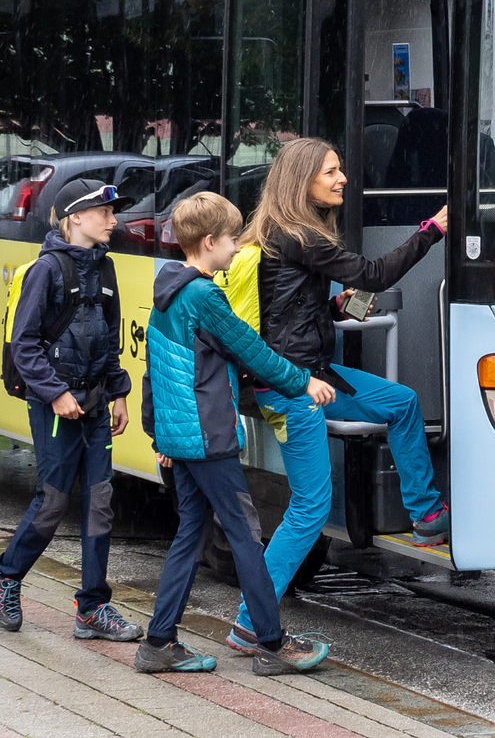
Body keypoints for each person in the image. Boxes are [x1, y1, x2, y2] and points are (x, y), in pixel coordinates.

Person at [226, 137, 448, 655]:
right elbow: (376, 274)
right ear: (301, 180)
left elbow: (283, 315)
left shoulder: (282, 236)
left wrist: (334, 309)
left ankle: (426, 515)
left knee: (402, 402)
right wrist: (432, 230)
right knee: (309, 509)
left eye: (340, 169)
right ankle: (249, 621)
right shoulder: (300, 235)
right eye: (331, 171)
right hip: (295, 389)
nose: (342, 177)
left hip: (316, 377)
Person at [137, 191, 335, 675]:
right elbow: (253, 350)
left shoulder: (168, 291)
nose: (237, 249)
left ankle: (158, 642)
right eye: (231, 240)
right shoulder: (204, 296)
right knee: (246, 534)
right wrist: (303, 381)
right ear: (208, 242)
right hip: (208, 437)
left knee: (190, 532)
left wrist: (158, 433)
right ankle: (271, 643)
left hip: (182, 437)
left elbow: (154, 371)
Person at [0, 179, 143, 643]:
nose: (114, 221)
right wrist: (55, 392)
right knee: (53, 501)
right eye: (105, 213)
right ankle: (6, 575)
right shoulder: (46, 270)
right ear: (75, 216)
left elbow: (109, 340)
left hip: (95, 402)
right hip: (56, 404)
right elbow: (25, 345)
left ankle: (93, 607)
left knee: (100, 502)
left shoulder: (107, 269)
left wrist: (118, 392)